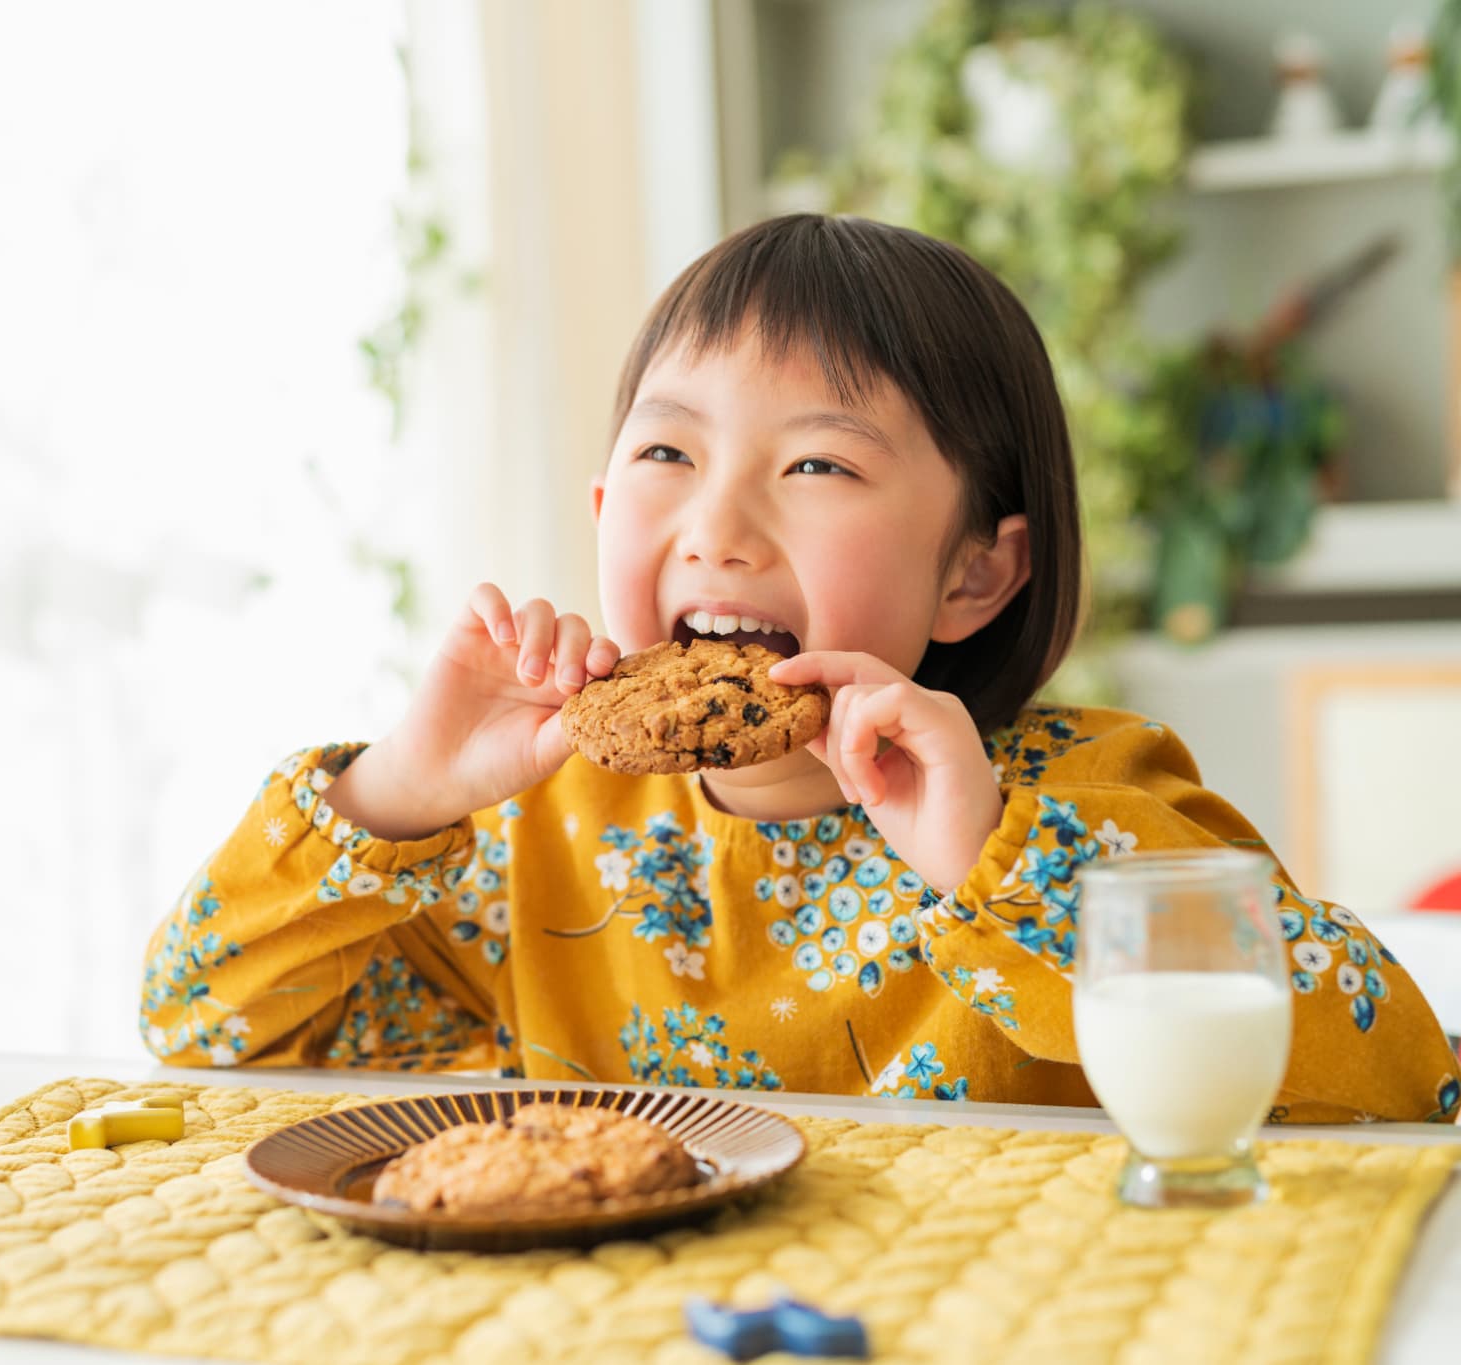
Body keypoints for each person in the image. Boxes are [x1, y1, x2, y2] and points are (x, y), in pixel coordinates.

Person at [138, 213, 1459, 1124]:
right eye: (668, 457)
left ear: (975, 572)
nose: (717, 523)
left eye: (817, 464)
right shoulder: (528, 842)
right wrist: (394, 794)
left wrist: (995, 859)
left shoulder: (1089, 803)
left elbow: (1395, 1081)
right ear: (604, 509)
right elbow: (206, 1030)